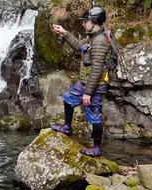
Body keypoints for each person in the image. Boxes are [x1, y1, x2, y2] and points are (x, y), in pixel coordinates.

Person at [50, 6, 111, 158]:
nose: (83, 24)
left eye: (86, 21)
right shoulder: (92, 37)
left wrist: (88, 93)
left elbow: (97, 69)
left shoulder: (100, 41)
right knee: (68, 99)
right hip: (84, 83)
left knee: (94, 117)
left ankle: (96, 148)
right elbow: (79, 46)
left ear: (94, 21)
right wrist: (64, 33)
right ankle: (67, 128)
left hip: (94, 87)